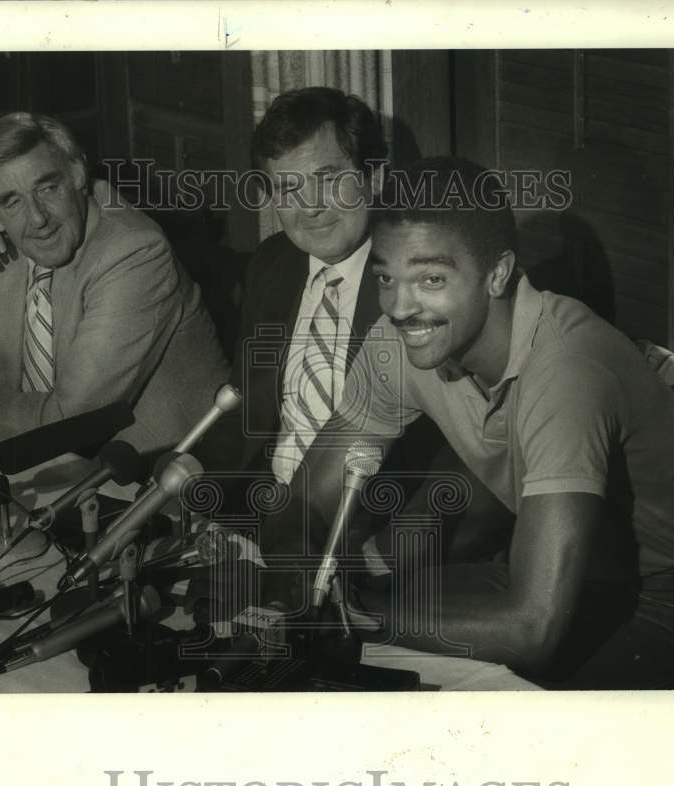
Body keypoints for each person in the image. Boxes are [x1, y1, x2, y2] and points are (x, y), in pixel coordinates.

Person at [298, 157, 674, 689]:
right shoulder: (402, 340)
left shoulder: (566, 367)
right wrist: (294, 574)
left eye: (430, 278)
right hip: (544, 582)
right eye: (385, 277)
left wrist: (356, 607)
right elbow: (305, 502)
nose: (401, 307)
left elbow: (530, 632)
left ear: (497, 274)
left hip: (666, 603)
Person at [194, 87, 504, 573]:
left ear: (372, 176)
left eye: (327, 179)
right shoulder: (272, 263)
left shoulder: (421, 282)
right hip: (257, 516)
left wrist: (381, 557)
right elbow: (247, 410)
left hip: (363, 534)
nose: (309, 207)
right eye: (287, 189)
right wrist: (200, 493)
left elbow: (467, 454)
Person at [0, 112, 228, 454]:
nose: (37, 218)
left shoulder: (133, 253)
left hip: (154, 484)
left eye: (48, 188)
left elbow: (71, 422)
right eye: (12, 201)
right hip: (48, 468)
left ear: (78, 173)